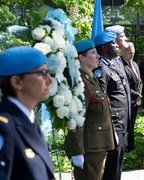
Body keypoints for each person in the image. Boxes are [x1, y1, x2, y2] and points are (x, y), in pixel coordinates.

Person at [0, 46, 54, 179]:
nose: (50, 80)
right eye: (42, 73)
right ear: (17, 82)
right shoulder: (4, 128)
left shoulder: (28, 118)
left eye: (48, 72)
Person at [64, 40, 116, 180]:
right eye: (93, 53)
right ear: (81, 57)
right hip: (89, 147)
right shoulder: (80, 81)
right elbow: (76, 119)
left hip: (97, 145)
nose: (98, 56)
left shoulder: (91, 78)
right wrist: (77, 151)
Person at [93, 32, 129, 180]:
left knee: (118, 162)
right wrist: (112, 125)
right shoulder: (101, 69)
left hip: (122, 122)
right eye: (113, 44)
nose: (117, 46)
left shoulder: (111, 66)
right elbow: (102, 99)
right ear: (104, 48)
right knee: (112, 165)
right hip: (114, 123)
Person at [120, 42, 142, 151]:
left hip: (137, 99)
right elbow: (124, 84)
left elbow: (139, 81)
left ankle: (131, 144)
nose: (132, 55)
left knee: (132, 123)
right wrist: (134, 94)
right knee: (127, 124)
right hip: (128, 99)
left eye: (133, 53)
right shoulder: (121, 65)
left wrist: (139, 94)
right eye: (129, 53)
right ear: (123, 52)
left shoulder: (135, 64)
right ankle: (127, 146)